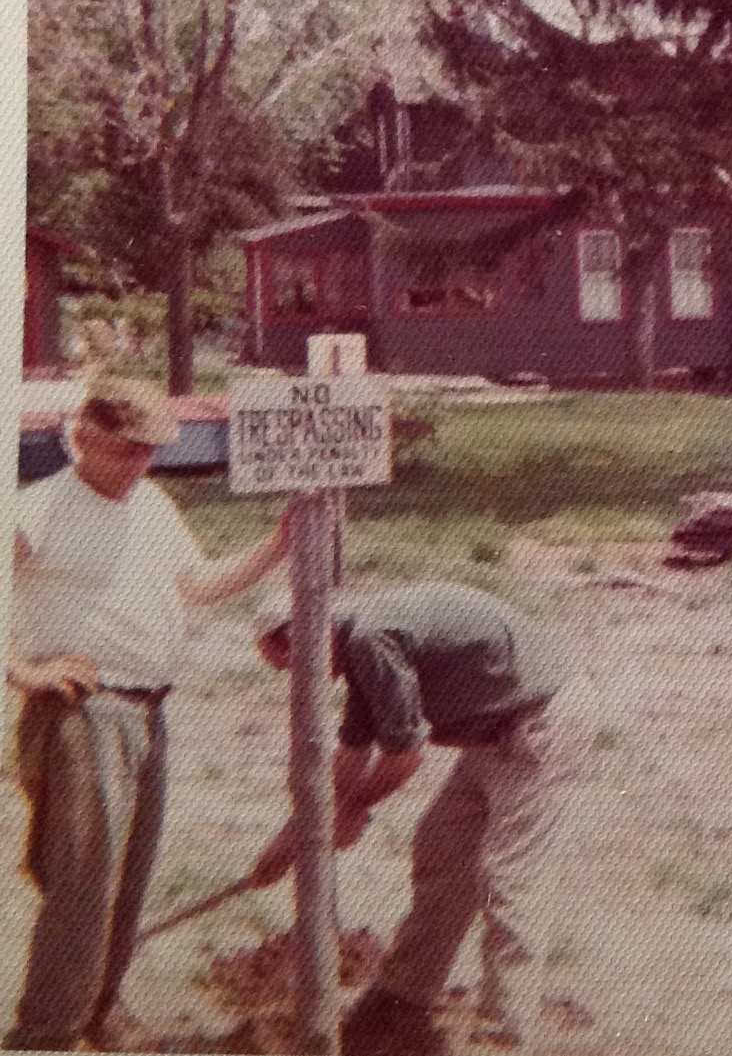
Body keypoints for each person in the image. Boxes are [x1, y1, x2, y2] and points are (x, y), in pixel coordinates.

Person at [5, 375, 292, 1051]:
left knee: (129, 875)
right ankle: (44, 1031)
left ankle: (102, 1009)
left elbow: (195, 585)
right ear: (85, 436)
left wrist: (277, 544)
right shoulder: (39, 507)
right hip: (84, 713)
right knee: (82, 883)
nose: (143, 463)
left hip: (150, 709)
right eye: (129, 448)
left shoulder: (154, 504)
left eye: (151, 450)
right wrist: (22, 670)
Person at [250, 582, 576, 1056]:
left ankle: (501, 1037)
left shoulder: (369, 640)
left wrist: (354, 808)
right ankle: (403, 997)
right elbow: (352, 755)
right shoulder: (354, 644)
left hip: (541, 722)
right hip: (491, 733)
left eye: (293, 663)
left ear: (303, 635)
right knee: (441, 848)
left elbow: (404, 757)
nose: (297, 679)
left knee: (510, 881)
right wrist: (292, 840)